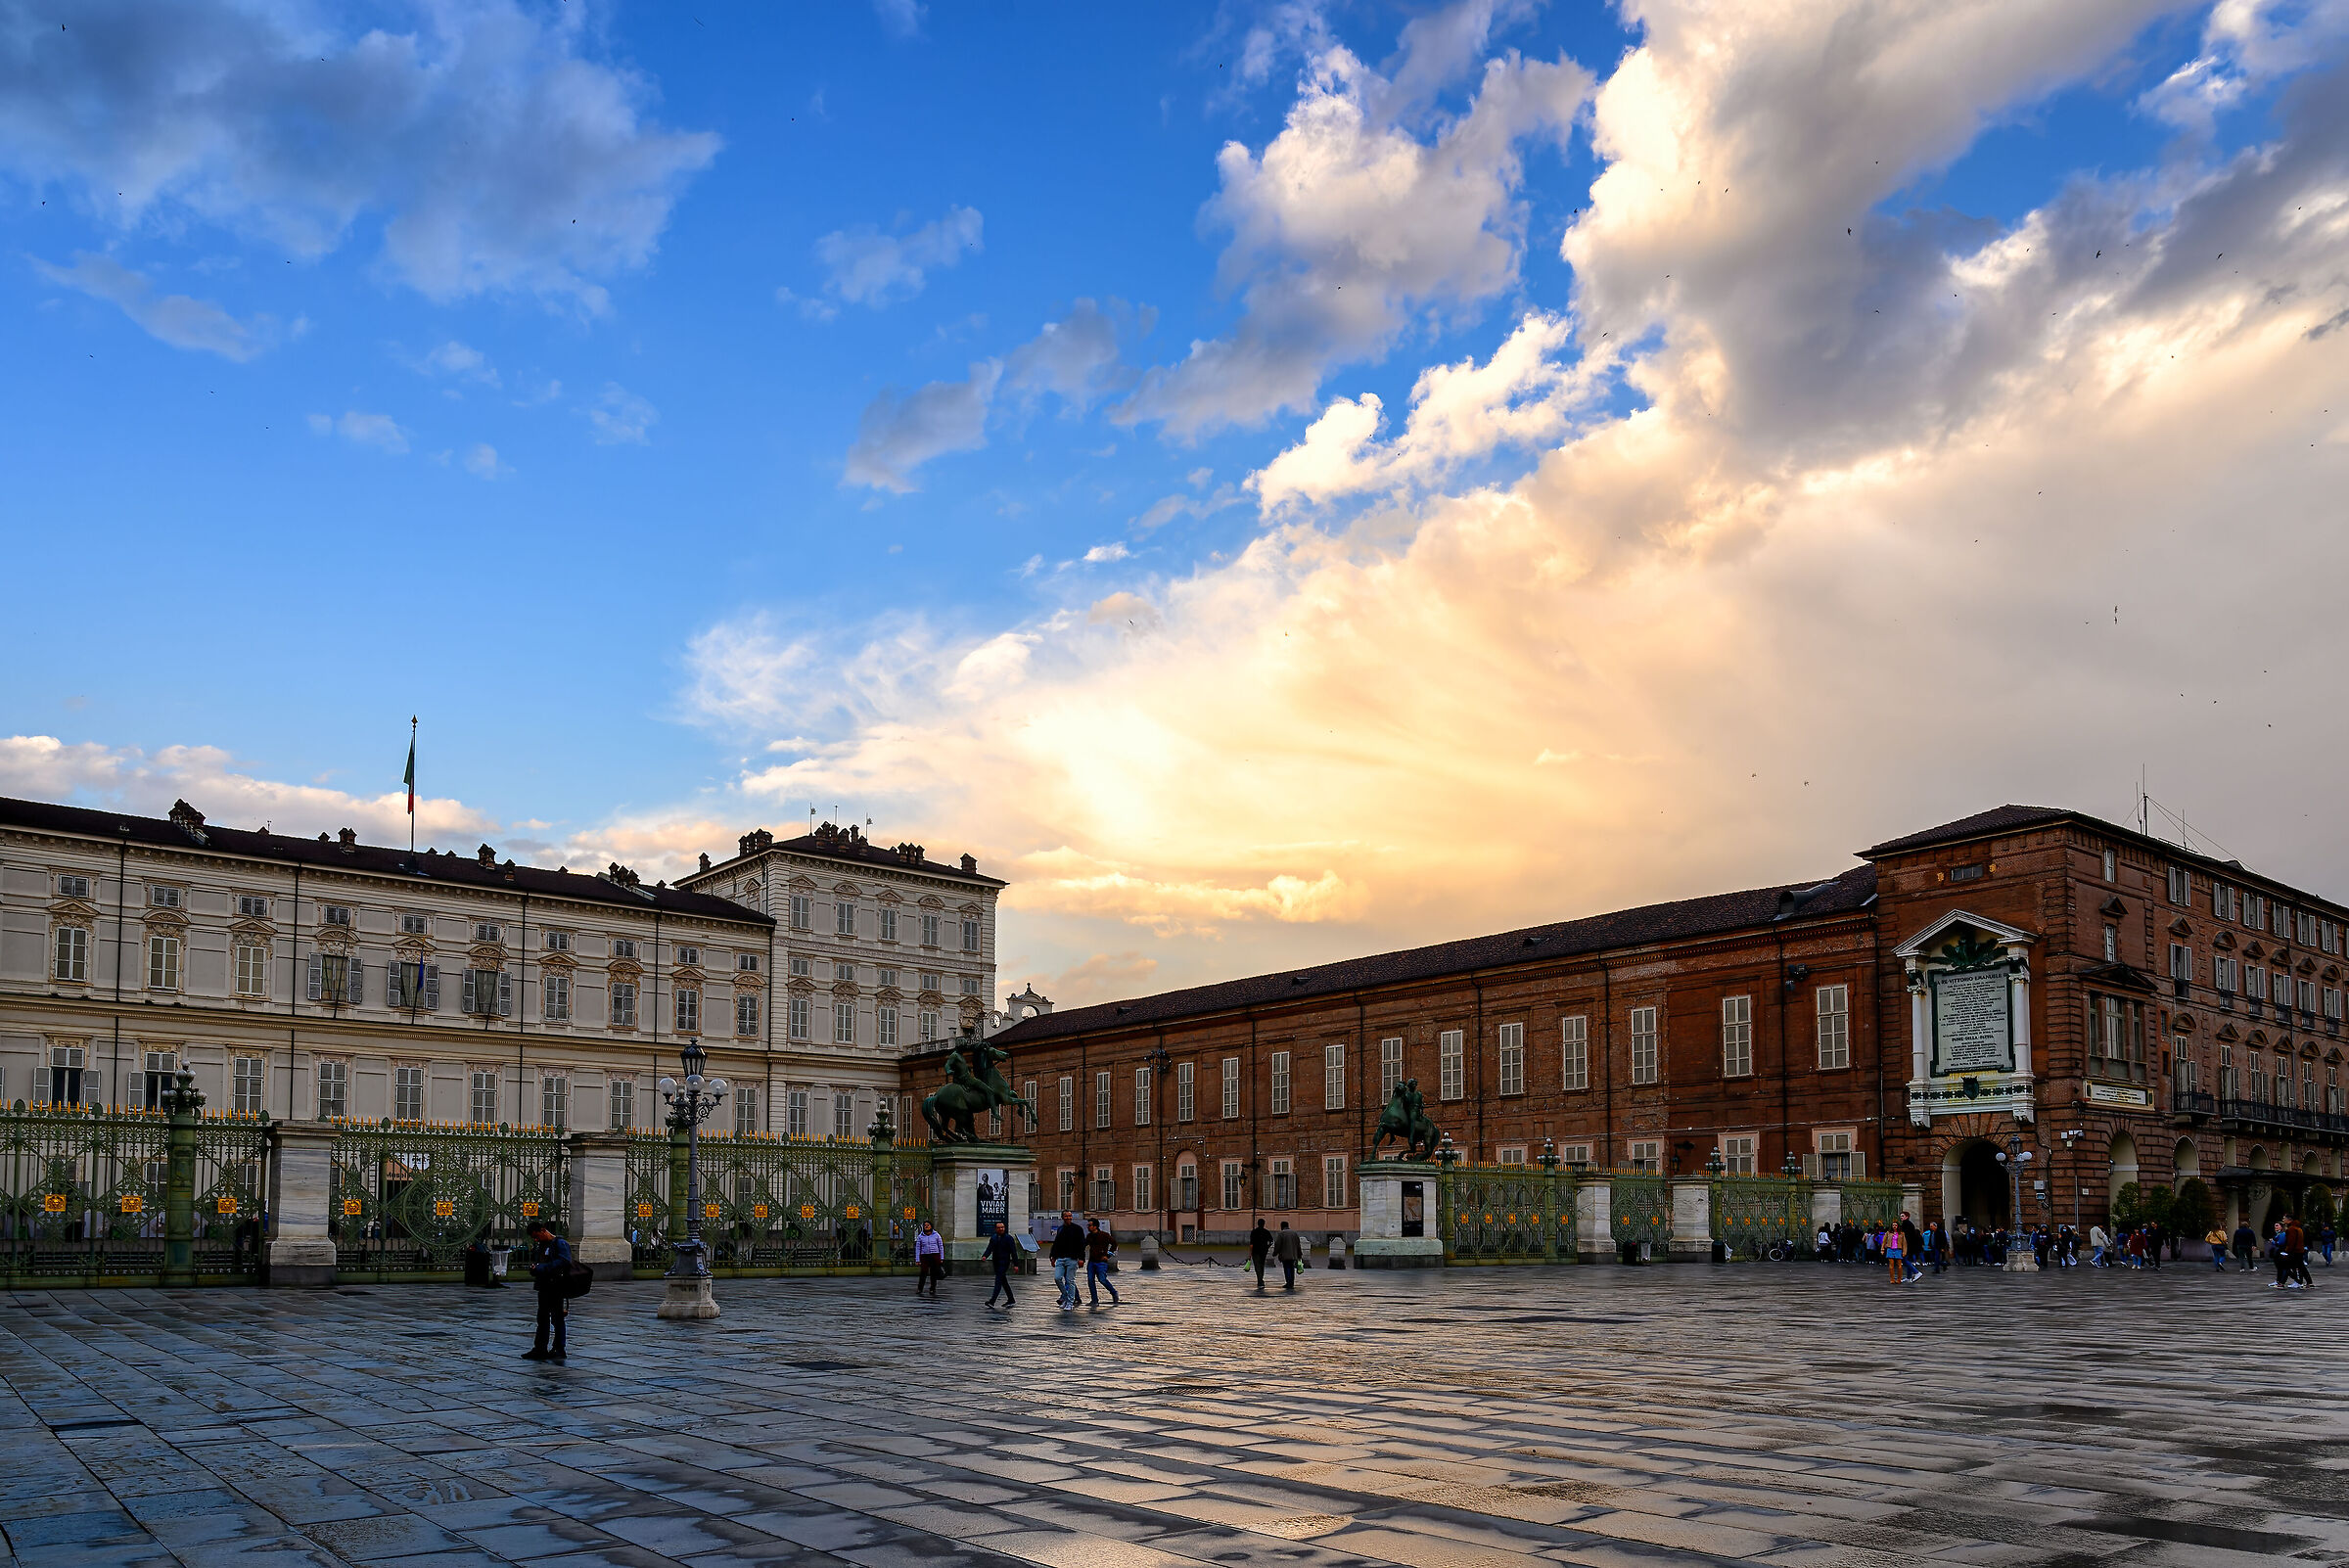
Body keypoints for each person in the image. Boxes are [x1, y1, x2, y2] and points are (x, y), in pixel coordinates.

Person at [523, 1222, 572, 1362]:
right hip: (544, 1286)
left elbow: (564, 1261)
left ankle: (559, 1348)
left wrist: (543, 1268)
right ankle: (540, 1348)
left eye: (537, 1236)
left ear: (543, 1230)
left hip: (556, 1286)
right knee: (542, 1318)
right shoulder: (543, 1245)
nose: (536, 1240)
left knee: (557, 1318)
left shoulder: (560, 1243)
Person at [1049, 1211, 1087, 1310]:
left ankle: (1070, 1302)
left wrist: (1081, 1258)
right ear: (1062, 1217)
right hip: (1061, 1258)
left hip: (1072, 1258)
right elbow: (1056, 1243)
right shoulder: (1061, 1229)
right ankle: (1066, 1297)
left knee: (1070, 1281)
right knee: (1057, 1278)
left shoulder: (1077, 1229)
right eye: (1066, 1216)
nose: (1068, 1218)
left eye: (1070, 1216)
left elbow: (1081, 1245)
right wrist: (1053, 1256)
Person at [1084, 1218, 1121, 1307]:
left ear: (1095, 1226)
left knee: (1102, 1279)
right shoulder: (1089, 1236)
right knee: (1090, 1280)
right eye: (1088, 1225)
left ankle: (1114, 1292)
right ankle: (1094, 1300)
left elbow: (1114, 1244)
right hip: (1092, 1261)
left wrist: (1108, 1255)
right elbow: (1083, 1245)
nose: (1088, 1227)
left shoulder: (1104, 1235)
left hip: (1101, 1261)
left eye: (1090, 1225)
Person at [983, 1220, 1019, 1308]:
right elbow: (989, 1248)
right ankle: (1011, 1299)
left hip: (1004, 1262)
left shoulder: (1009, 1238)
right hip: (996, 1262)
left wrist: (1016, 1264)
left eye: (1002, 1227)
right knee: (1003, 1282)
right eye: (999, 1227)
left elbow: (1013, 1252)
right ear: (996, 1229)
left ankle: (992, 1301)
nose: (1001, 1229)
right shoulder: (994, 1238)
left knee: (998, 1281)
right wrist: (985, 1256)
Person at [914, 1221, 945, 1298]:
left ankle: (932, 1288)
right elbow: (918, 1248)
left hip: (935, 1255)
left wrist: (941, 1257)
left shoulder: (936, 1235)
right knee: (923, 1272)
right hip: (924, 1256)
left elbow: (940, 1246)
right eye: (925, 1225)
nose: (926, 1226)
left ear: (931, 1226)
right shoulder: (920, 1236)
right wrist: (917, 1259)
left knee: (933, 1273)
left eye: (928, 1225)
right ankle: (920, 1288)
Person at [1273, 1222, 1305, 1289]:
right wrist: (1299, 1254)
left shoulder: (1281, 1234)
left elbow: (1278, 1244)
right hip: (1293, 1255)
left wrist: (1275, 1253)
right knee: (1292, 1268)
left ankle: (1288, 1282)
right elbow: (1298, 1245)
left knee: (1287, 1268)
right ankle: (1292, 1282)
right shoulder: (1294, 1233)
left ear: (1281, 1226)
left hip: (1285, 1255)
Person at [1248, 1217, 1273, 1291]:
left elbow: (1251, 1243)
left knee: (1257, 1266)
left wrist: (1250, 1253)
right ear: (1264, 1224)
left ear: (1258, 1224)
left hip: (1255, 1251)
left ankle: (1260, 1280)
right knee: (1262, 1266)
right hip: (1263, 1251)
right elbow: (1271, 1241)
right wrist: (1267, 1247)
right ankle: (1260, 1279)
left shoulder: (1254, 1232)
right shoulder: (1266, 1232)